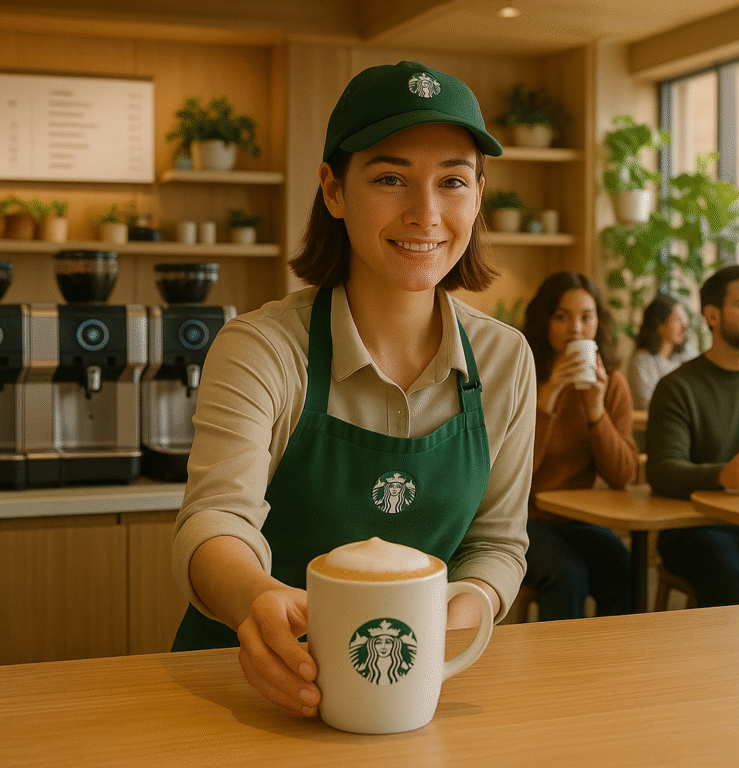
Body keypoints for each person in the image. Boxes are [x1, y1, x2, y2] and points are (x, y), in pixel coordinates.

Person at [170, 61, 536, 718]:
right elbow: (214, 520)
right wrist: (255, 597)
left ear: (479, 196)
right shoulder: (262, 349)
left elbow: (498, 543)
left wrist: (467, 609)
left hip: (413, 694)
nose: (425, 213)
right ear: (333, 190)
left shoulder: (506, 359)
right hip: (248, 692)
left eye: (452, 181)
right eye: (390, 178)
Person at [646, 264, 739, 606]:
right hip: (697, 528)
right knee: (724, 568)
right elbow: (662, 472)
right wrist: (723, 475)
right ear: (711, 316)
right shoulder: (678, 388)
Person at [521, 271, 638, 620]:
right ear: (544, 322)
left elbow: (622, 476)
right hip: (520, 518)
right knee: (568, 574)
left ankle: (613, 667)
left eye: (587, 317)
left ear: (598, 324)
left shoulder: (612, 384)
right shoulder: (520, 376)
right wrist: (548, 397)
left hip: (576, 518)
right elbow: (516, 471)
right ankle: (559, 671)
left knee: (622, 566)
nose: (576, 328)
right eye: (562, 316)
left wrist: (595, 411)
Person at [627, 293, 695, 410]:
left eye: (683, 319)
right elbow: (647, 404)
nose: (684, 325)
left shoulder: (687, 352)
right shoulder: (642, 360)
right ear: (659, 326)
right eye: (676, 320)